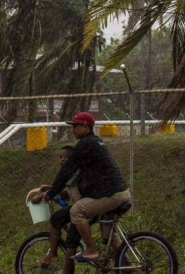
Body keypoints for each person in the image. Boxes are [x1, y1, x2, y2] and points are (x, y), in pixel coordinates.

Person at [44, 112, 131, 262]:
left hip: (111, 195)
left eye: (76, 126)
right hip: (119, 193)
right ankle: (130, 268)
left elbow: (67, 170)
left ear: (85, 127)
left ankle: (91, 249)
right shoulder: (96, 142)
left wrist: (51, 193)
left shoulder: (85, 144)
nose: (73, 130)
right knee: (109, 237)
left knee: (76, 211)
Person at [31, 146, 81, 273]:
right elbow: (64, 190)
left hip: (83, 207)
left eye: (66, 157)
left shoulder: (72, 169)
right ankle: (126, 264)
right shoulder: (73, 170)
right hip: (84, 204)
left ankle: (53, 253)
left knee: (56, 220)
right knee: (111, 238)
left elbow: (60, 188)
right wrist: (47, 188)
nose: (62, 160)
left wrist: (43, 195)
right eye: (60, 157)